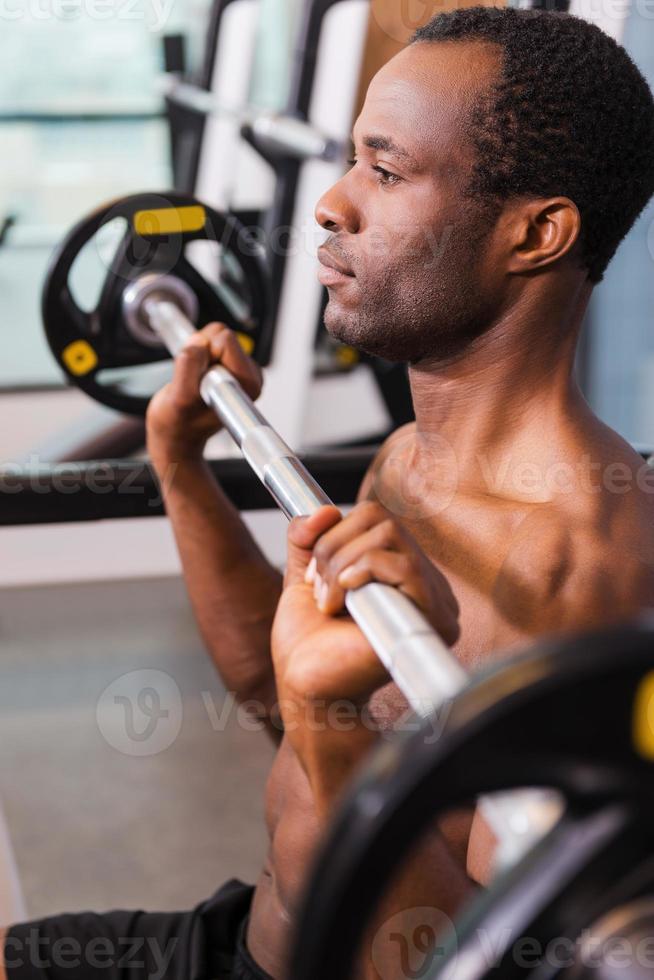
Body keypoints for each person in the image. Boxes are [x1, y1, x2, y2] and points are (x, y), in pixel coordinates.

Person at [3, 6, 654, 979]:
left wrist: (329, 723)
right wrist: (183, 468)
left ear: (535, 233)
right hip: (243, 936)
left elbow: (488, 962)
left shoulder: (573, 564)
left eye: (385, 173)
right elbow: (279, 691)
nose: (332, 203)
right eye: (354, 161)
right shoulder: (407, 456)